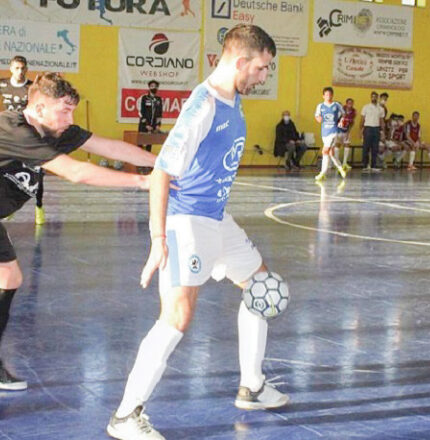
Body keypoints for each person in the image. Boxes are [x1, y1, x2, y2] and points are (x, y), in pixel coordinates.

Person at [0, 72, 157, 424]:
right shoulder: (12, 129)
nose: (70, 120)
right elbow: (76, 173)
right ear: (39, 108)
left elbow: (106, 146)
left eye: (72, 111)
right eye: (64, 111)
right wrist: (143, 182)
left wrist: (161, 164)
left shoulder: (55, 128)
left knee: (9, 279)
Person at [107, 24, 289, 440]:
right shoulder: (202, 106)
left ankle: (252, 386)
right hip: (186, 221)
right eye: (261, 68)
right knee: (177, 316)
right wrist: (158, 240)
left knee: (260, 285)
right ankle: (125, 415)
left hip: (216, 217)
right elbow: (161, 173)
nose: (264, 77)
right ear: (241, 61)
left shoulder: (233, 97)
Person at [0, 56, 47, 224]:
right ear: (11, 69)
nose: (20, 71)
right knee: (6, 171)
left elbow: (42, 106)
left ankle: (39, 207)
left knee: (37, 173)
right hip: (9, 135)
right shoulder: (2, 84)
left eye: (23, 68)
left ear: (26, 69)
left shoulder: (31, 87)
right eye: (17, 68)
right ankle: (9, 208)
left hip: (29, 134)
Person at [314, 86, 345, 180]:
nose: (328, 96)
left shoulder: (336, 105)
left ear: (332, 95)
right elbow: (317, 116)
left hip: (333, 131)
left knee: (325, 150)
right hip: (324, 131)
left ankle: (322, 173)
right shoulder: (320, 106)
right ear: (323, 96)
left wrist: (341, 121)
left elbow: (343, 114)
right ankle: (341, 168)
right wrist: (318, 118)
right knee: (331, 153)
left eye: (330, 94)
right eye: (326, 95)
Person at [359, 91, 384, 172]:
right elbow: (362, 120)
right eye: (372, 96)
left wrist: (383, 132)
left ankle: (373, 165)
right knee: (366, 147)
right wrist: (360, 130)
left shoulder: (381, 109)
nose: (374, 98)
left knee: (375, 148)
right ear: (371, 97)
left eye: (375, 97)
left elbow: (381, 121)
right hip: (368, 128)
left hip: (376, 129)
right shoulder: (366, 107)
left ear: (377, 98)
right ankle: (365, 165)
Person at [137, 79, 163, 153]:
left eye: (155, 86)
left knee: (149, 146)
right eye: (152, 86)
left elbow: (160, 114)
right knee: (140, 146)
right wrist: (146, 124)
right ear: (149, 87)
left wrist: (158, 125)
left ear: (157, 88)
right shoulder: (144, 98)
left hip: (153, 127)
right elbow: (141, 113)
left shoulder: (159, 99)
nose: (153, 88)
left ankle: (147, 164)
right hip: (144, 126)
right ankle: (139, 164)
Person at [337, 97, 355, 171]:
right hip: (338, 130)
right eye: (349, 103)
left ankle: (344, 163)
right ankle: (337, 163)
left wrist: (349, 131)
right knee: (337, 145)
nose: (350, 104)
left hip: (346, 130)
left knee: (347, 144)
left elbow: (352, 123)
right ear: (346, 103)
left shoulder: (354, 112)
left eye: (351, 103)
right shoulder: (341, 109)